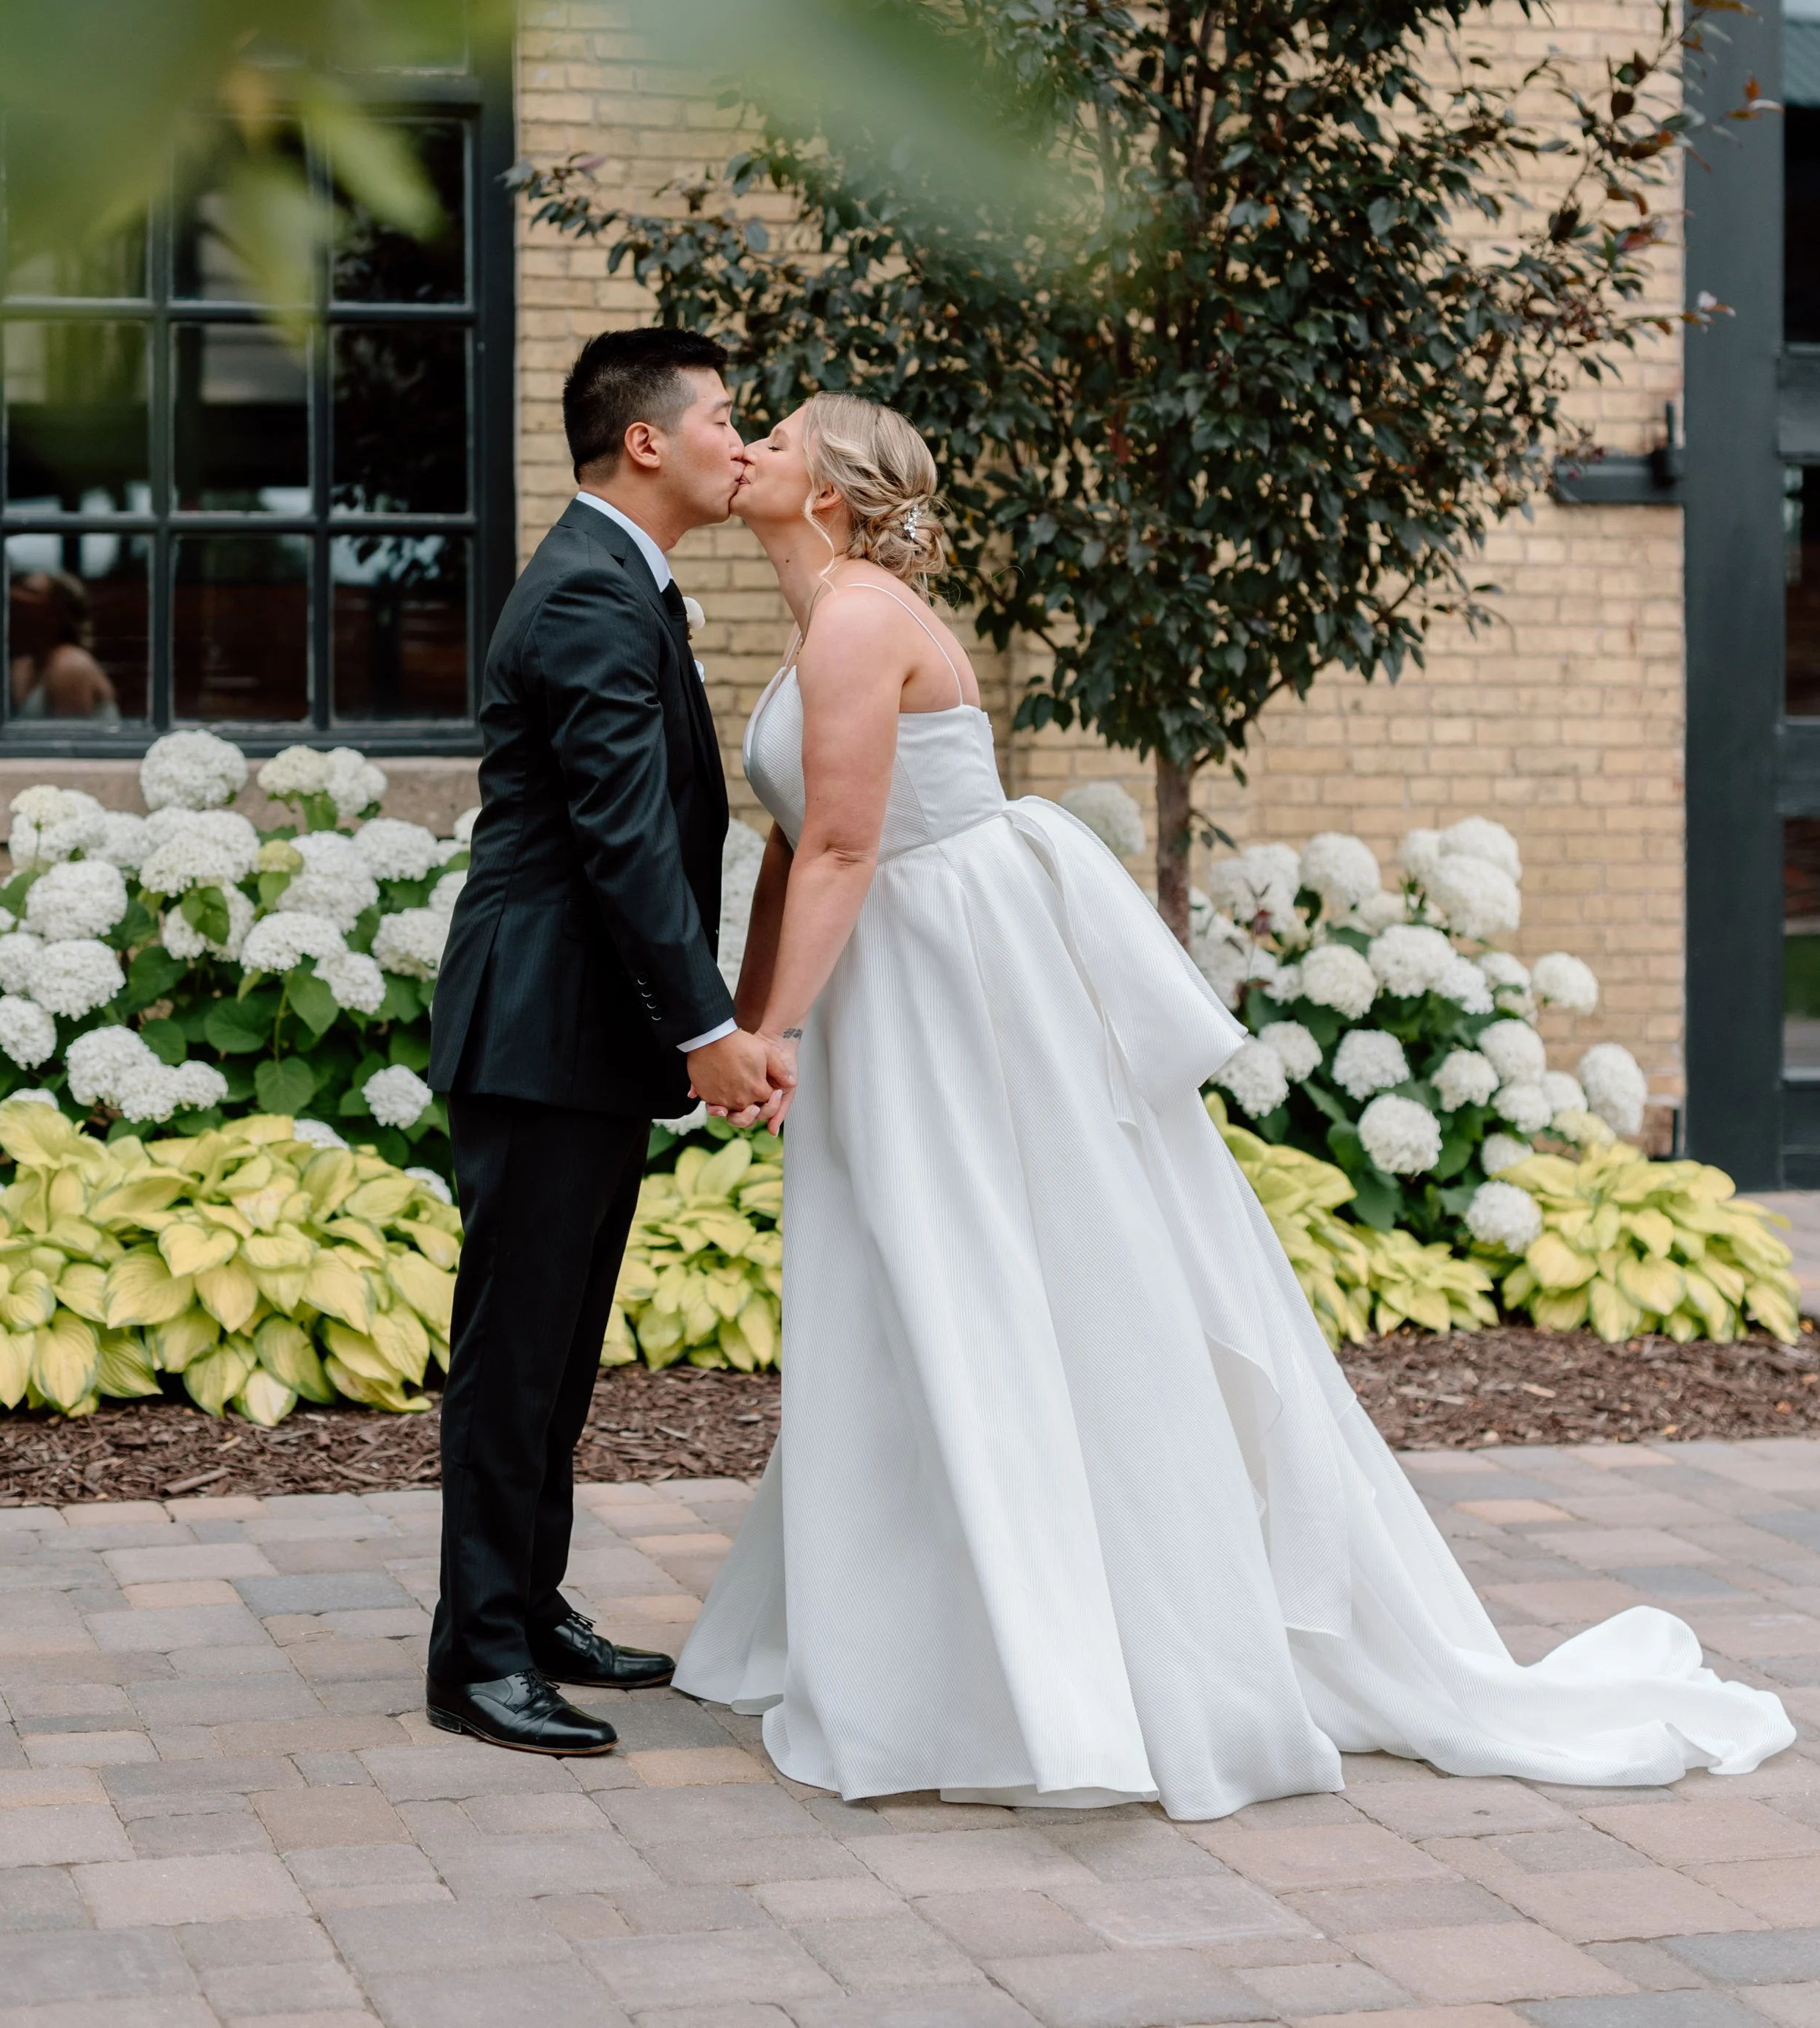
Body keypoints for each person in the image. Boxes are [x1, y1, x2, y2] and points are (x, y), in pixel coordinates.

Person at [673, 390, 1794, 1817]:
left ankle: (1040, 1655)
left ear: (827, 486)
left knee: (971, 1268)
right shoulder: (819, 615)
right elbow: (788, 850)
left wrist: (769, 1030)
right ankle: (912, 1623)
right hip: (895, 981)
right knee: (898, 1274)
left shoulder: (856, 619)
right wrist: (752, 1015)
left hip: (947, 987)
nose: (750, 444)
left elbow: (841, 842)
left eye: (776, 434)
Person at [426, 328, 787, 1756]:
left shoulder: (616, 579)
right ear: (646, 439)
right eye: (723, 420)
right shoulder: (585, 592)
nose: (740, 443)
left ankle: (526, 1600)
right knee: (514, 1352)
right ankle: (476, 1657)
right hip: (542, 1029)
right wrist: (703, 1021)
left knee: (559, 1348)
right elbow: (623, 838)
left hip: (576, 1031)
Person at [9, 570, 120, 724]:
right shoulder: (24, 663)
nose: (14, 597)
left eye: (30, 592)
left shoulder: (70, 666)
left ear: (56, 613)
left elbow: (71, 741)